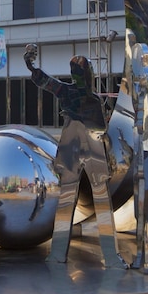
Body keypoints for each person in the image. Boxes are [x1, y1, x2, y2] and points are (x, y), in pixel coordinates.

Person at [25, 44, 125, 268]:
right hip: (90, 151)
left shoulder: (68, 92)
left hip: (72, 149)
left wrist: (31, 66)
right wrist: (31, 67)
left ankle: (59, 254)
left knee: (68, 202)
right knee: (100, 202)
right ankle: (110, 257)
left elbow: (45, 81)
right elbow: (101, 131)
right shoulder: (90, 99)